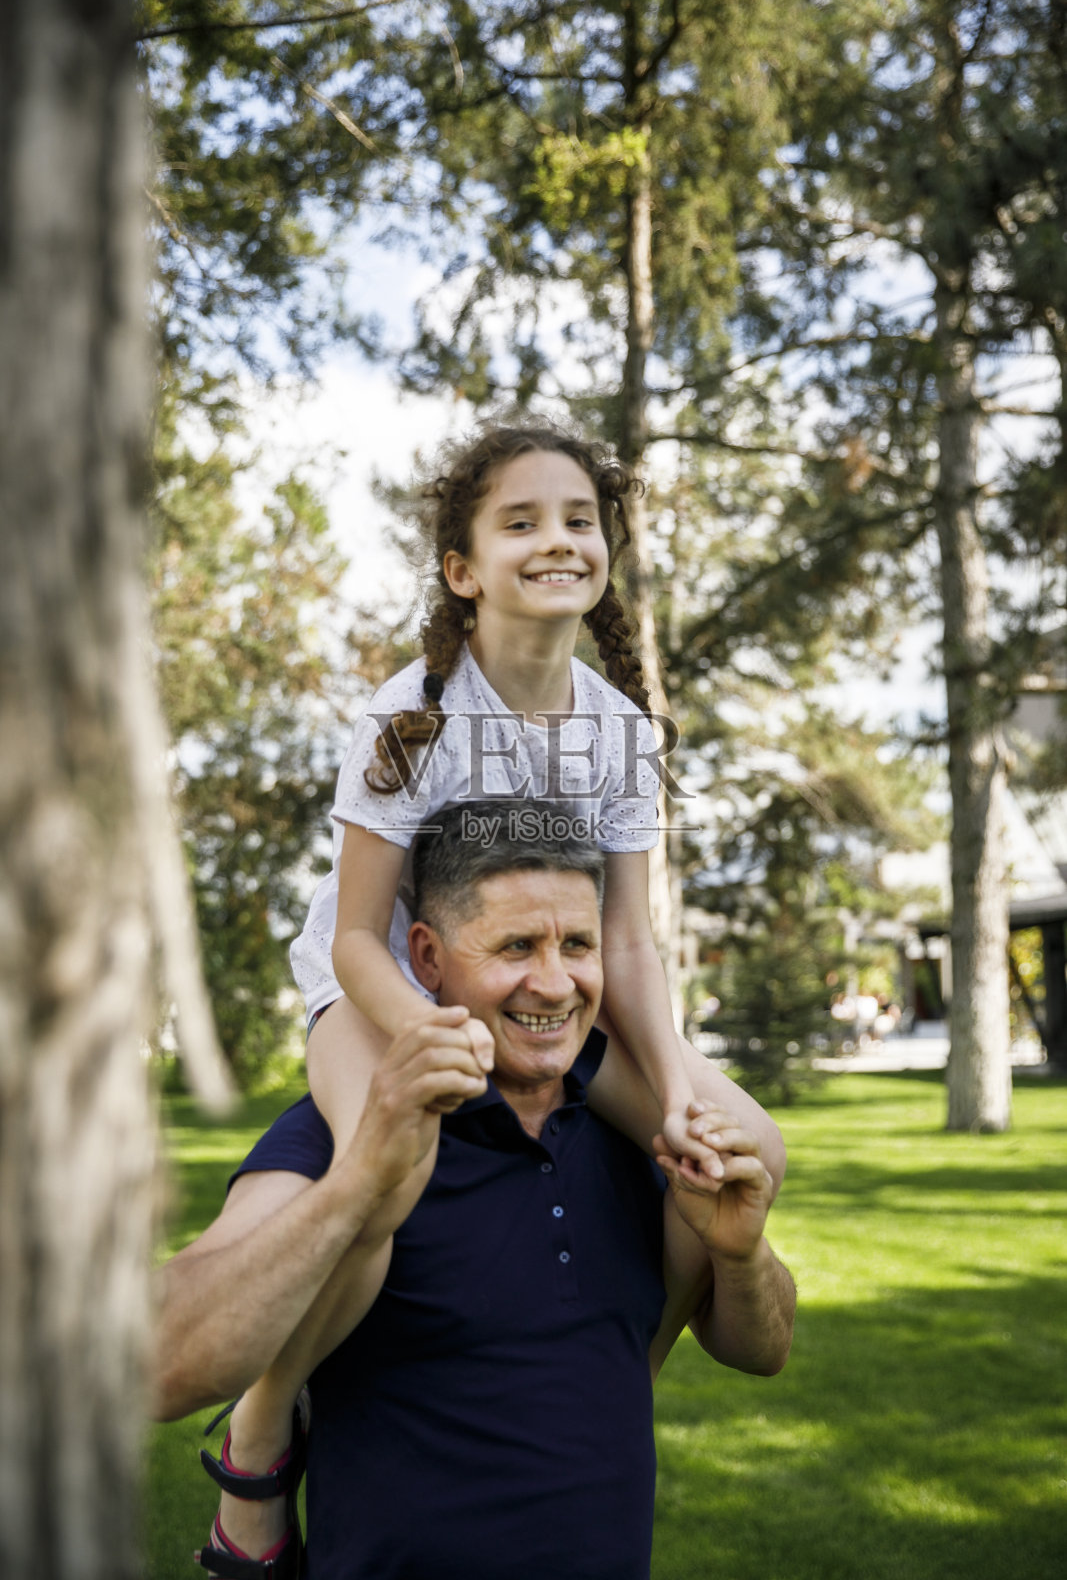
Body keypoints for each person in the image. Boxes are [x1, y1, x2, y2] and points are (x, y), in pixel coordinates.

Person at [195, 421, 744, 1571]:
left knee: (740, 1153)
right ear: (462, 568)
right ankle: (265, 1423)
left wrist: (677, 1090)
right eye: (521, 521)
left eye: (579, 519)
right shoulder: (412, 718)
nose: (558, 540)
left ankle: (605, 1389)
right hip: (380, 992)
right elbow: (355, 937)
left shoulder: (620, 732)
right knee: (385, 1184)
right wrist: (438, 1040)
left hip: (537, 992)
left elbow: (628, 944)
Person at [154, 802, 795, 1580]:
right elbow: (159, 1366)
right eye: (516, 946)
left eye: (577, 945)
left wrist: (740, 1256)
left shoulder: (648, 1137)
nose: (554, 984)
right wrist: (360, 1183)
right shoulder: (351, 1128)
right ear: (426, 958)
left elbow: (764, 1352)